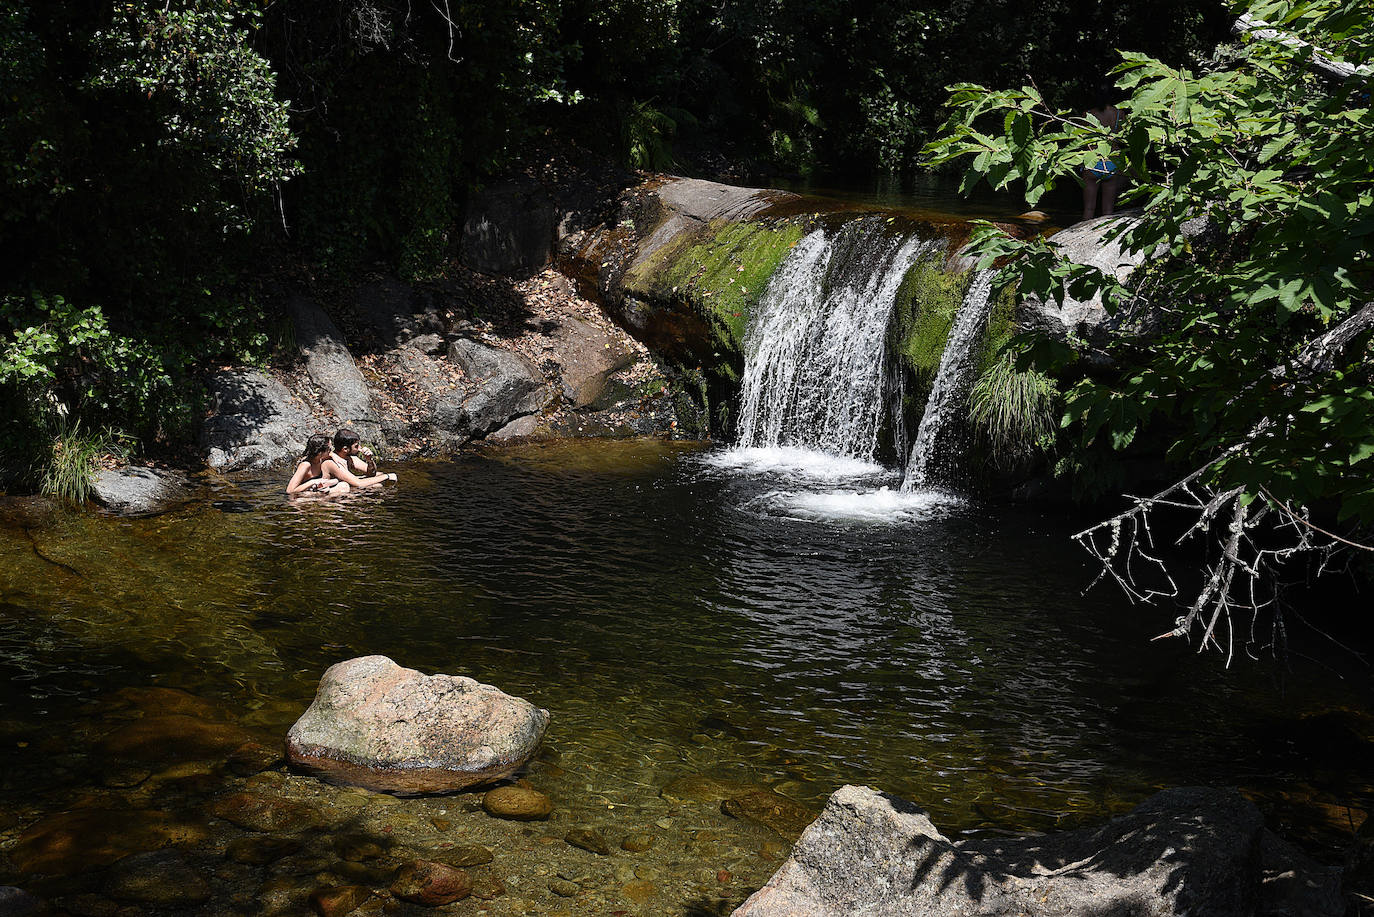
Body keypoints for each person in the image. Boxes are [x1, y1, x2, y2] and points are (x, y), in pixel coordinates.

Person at [1082, 83, 1124, 222]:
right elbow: (1123, 138)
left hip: (1092, 162)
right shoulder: (1119, 114)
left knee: (1088, 210)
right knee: (1108, 211)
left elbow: (1082, 140)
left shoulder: (1087, 115)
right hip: (1112, 162)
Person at [330, 428, 397, 489]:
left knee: (379, 475)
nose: (360, 448)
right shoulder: (333, 463)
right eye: (356, 446)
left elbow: (372, 474)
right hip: (331, 496)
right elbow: (359, 483)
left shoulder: (350, 458)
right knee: (377, 484)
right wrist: (387, 476)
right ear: (345, 449)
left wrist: (369, 460)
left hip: (349, 485)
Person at [286, 434, 352, 496]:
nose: (331, 451)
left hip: (316, 491)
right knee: (343, 488)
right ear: (320, 452)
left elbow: (330, 454)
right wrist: (313, 482)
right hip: (304, 495)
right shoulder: (305, 465)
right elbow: (290, 491)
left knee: (343, 484)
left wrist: (335, 456)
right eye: (329, 449)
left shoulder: (319, 458)